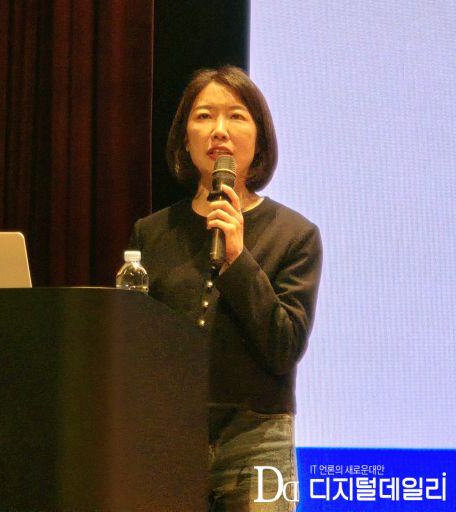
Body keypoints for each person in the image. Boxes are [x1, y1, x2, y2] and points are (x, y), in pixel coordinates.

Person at [129, 65, 322, 511]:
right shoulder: (151, 233)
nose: (219, 130)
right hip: (167, 436)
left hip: (257, 439)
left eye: (236, 116)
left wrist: (238, 257)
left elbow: (284, 348)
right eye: (204, 116)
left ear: (260, 140)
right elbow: (132, 344)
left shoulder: (295, 235)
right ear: (185, 139)